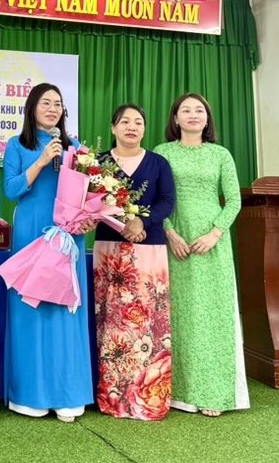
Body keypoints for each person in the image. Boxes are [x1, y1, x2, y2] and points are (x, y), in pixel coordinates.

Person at [154, 93, 250, 418]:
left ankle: (214, 391)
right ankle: (176, 392)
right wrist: (169, 232)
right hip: (174, 238)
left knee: (213, 314)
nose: (193, 115)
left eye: (199, 110)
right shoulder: (162, 153)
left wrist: (215, 233)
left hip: (212, 242)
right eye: (186, 110)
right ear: (175, 118)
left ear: (207, 119)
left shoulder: (221, 154)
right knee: (178, 313)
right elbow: (154, 198)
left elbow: (234, 201)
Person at [2, 83, 94, 423]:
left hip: (68, 235)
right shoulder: (17, 145)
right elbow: (11, 190)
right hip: (32, 232)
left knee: (65, 311)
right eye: (46, 103)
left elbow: (89, 192)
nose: (53, 109)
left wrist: (86, 218)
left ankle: (67, 393)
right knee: (32, 308)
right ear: (32, 108)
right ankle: (31, 394)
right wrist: (41, 161)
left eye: (58, 103)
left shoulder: (76, 148)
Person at [93, 104, 175, 421]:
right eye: (125, 121)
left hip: (149, 248)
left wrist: (143, 221)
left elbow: (167, 200)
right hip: (110, 249)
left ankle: (146, 398)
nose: (132, 126)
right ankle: (111, 396)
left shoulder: (158, 164)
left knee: (146, 324)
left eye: (138, 121)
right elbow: (88, 200)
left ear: (145, 128)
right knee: (112, 323)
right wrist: (115, 221)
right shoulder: (98, 164)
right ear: (113, 128)